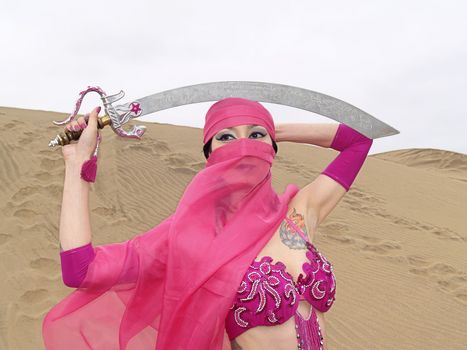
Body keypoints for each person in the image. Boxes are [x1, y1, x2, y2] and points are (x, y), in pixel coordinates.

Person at [42, 97, 373, 349]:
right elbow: (81, 270)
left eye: (256, 136)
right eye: (226, 138)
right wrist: (76, 165)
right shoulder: (185, 238)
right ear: (209, 154)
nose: (244, 146)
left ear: (273, 148)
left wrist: (268, 127)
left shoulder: (300, 213)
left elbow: (359, 140)